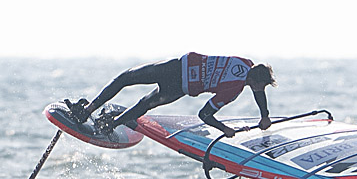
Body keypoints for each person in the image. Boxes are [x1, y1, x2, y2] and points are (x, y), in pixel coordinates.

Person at [68, 52, 276, 138]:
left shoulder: (246, 63)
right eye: (261, 87)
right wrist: (225, 129)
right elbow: (204, 115)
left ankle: (87, 110)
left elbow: (258, 90)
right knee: (145, 104)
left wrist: (264, 114)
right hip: (179, 86)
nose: (260, 91)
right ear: (255, 82)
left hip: (176, 67)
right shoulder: (233, 90)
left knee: (126, 78)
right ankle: (110, 125)